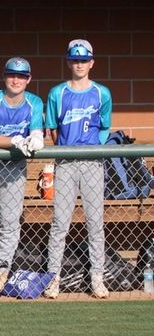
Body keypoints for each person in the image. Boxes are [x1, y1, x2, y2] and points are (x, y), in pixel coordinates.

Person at [43, 39, 112, 299]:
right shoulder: (57, 93)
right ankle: (53, 278)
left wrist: (95, 147)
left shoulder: (101, 92)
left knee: (95, 223)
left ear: (91, 62)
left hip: (93, 161)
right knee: (60, 222)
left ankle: (98, 277)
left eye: (84, 60)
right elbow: (53, 129)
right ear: (68, 62)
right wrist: (65, 150)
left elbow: (105, 127)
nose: (79, 64)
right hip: (66, 161)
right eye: (75, 60)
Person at [0, 57, 44, 289]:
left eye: (21, 76)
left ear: (29, 79)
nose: (16, 80)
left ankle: (3, 269)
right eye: (12, 75)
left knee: (10, 222)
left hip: (15, 167)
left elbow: (36, 130)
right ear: (5, 77)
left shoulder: (34, 101)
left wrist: (36, 137)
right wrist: (15, 141)